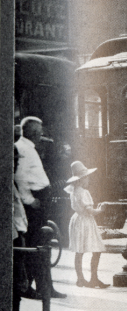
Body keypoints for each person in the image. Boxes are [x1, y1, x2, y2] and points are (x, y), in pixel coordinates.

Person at [16, 116, 65, 299]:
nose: (41, 134)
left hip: (40, 201)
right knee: (36, 246)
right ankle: (32, 287)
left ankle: (45, 287)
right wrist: (29, 200)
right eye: (38, 131)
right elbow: (20, 177)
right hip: (34, 204)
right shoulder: (22, 148)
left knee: (42, 245)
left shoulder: (29, 148)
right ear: (32, 132)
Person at [65, 161, 109, 289]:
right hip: (85, 221)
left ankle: (80, 278)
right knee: (97, 249)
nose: (88, 179)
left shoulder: (73, 191)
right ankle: (94, 278)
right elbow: (90, 211)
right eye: (86, 177)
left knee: (79, 251)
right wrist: (101, 209)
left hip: (77, 220)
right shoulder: (84, 192)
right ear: (81, 179)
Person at [12, 148, 37, 311]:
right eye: (13, 160)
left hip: (17, 236)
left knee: (18, 286)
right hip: (12, 239)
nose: (16, 164)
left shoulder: (12, 182)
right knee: (14, 285)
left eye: (16, 160)